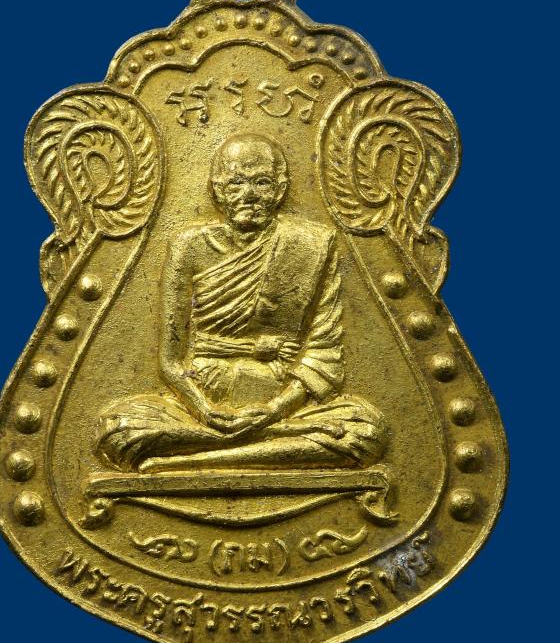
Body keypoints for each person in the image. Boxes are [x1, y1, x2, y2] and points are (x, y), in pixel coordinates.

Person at [95, 133, 387, 472]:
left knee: (366, 432)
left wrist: (275, 410)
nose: (249, 195)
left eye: (261, 183)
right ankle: (270, 443)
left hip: (283, 398)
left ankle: (199, 455)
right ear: (217, 190)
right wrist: (204, 410)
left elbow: (324, 352)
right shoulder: (189, 245)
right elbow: (170, 362)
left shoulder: (312, 245)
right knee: (118, 430)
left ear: (280, 190)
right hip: (205, 395)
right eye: (236, 183)